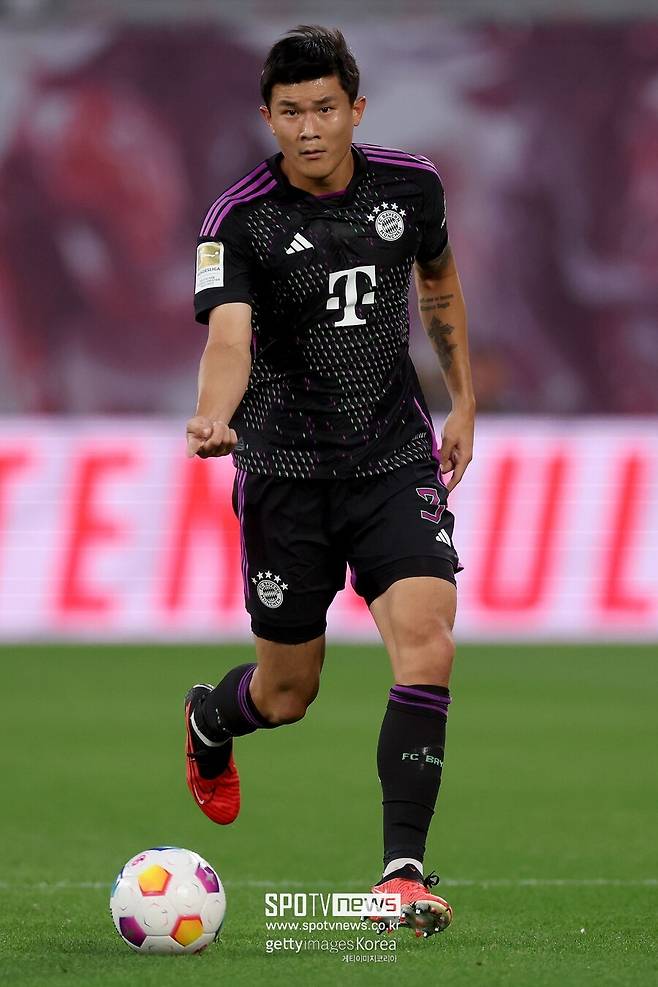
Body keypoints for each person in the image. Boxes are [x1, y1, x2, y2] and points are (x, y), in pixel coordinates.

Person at [184, 24, 475, 939]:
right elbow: (229, 337)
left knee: (427, 641)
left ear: (357, 108)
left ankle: (402, 873)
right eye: (290, 112)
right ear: (266, 118)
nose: (309, 128)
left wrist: (463, 400)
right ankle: (210, 720)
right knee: (287, 694)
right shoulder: (238, 218)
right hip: (285, 472)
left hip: (392, 458)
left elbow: (438, 283)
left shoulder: (411, 186)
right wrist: (214, 415)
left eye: (324, 108)